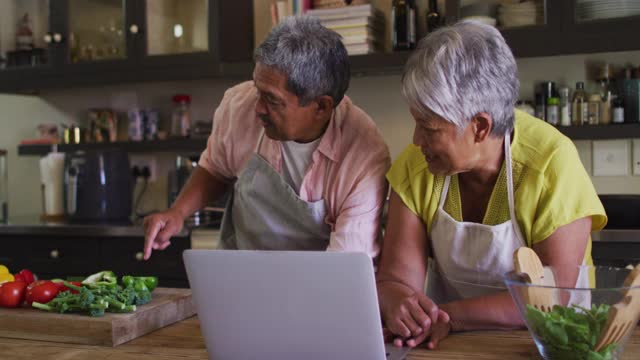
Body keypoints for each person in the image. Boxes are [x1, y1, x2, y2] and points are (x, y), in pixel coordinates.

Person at [376, 20, 607, 349]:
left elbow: (548, 296)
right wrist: (399, 303)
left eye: (428, 128)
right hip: (448, 346)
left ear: (481, 127)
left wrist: (446, 316)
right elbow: (396, 279)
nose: (416, 140)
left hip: (554, 346)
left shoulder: (551, 164)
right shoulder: (418, 166)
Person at [143, 16, 390, 259]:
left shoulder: (363, 156)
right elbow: (215, 169)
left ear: (321, 107)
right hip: (244, 272)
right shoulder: (239, 104)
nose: (258, 108)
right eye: (257, 90)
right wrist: (177, 212)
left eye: (272, 100)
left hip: (318, 284)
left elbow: (344, 267)